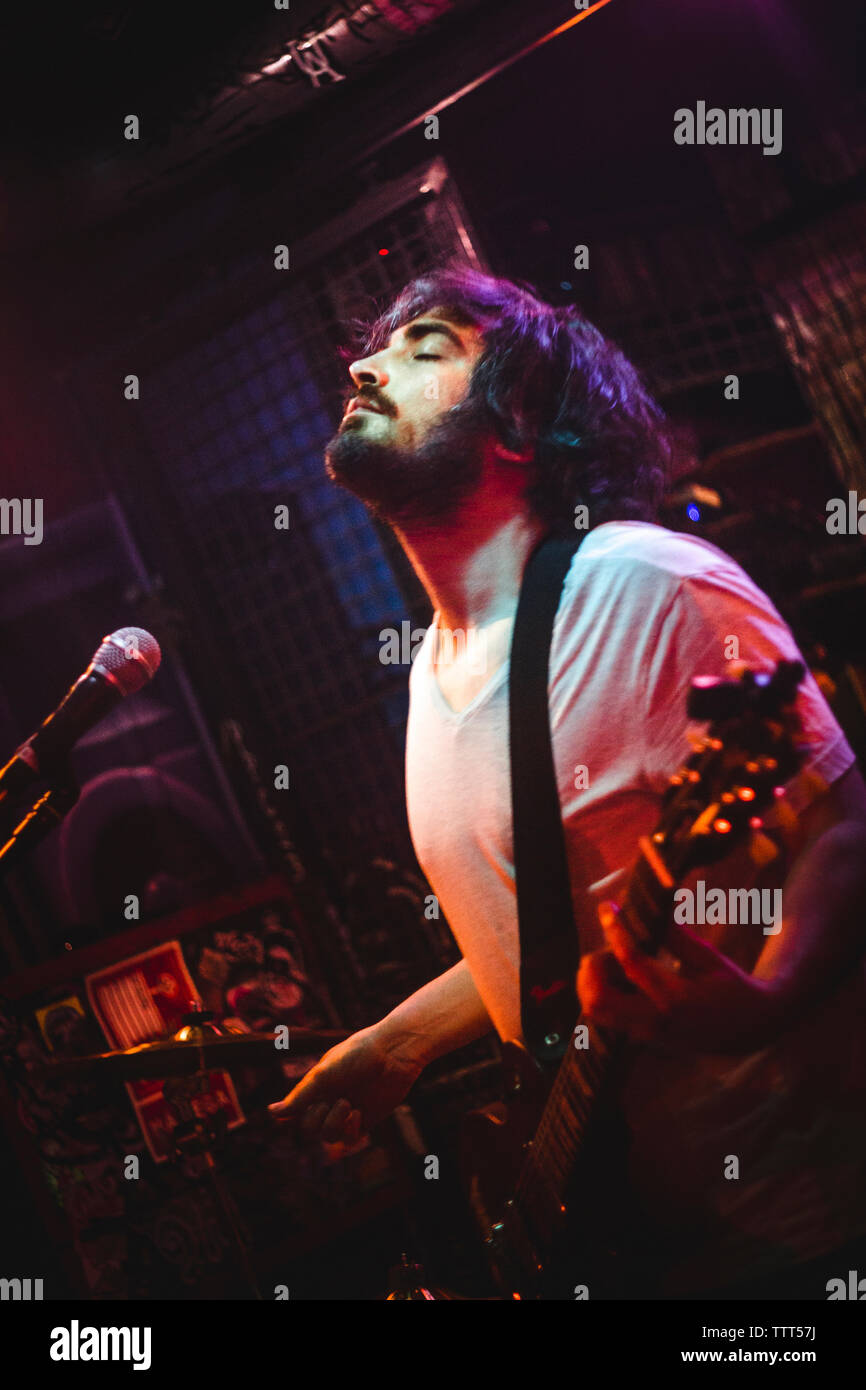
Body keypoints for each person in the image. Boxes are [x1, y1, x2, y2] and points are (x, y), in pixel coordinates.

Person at [269, 265, 866, 1298]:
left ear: (519, 421)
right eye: (373, 349)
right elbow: (552, 919)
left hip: (789, 1230)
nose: (364, 366)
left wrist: (756, 1003)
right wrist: (396, 1043)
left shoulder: (645, 585)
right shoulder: (430, 666)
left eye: (425, 350)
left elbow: (841, 835)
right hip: (626, 1239)